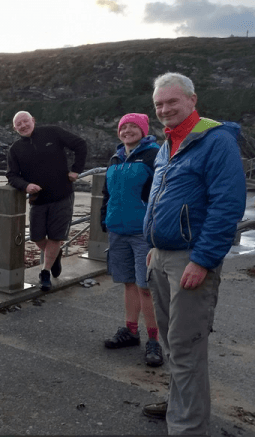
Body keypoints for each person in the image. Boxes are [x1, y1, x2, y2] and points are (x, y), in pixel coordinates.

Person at [141, 73, 246, 435]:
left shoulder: (215, 141)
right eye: (159, 104)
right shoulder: (166, 144)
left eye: (172, 101)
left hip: (190, 258)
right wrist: (153, 247)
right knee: (171, 342)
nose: (165, 109)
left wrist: (203, 259)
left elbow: (227, 205)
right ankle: (179, 404)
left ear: (191, 99)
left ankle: (187, 427)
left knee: (186, 347)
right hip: (162, 255)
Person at [100, 113, 163, 367]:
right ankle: (131, 331)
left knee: (146, 287)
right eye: (123, 127)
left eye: (133, 126)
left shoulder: (153, 155)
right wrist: (104, 219)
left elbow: (161, 194)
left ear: (143, 130)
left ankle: (154, 340)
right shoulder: (115, 158)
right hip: (117, 229)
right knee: (128, 283)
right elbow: (107, 194)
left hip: (142, 232)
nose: (127, 130)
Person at [6, 111, 87, 291]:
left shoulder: (52, 132)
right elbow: (11, 175)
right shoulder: (15, 149)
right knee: (37, 237)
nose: (23, 126)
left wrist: (76, 169)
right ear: (14, 128)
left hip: (62, 195)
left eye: (25, 121)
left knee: (56, 236)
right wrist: (26, 185)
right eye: (18, 124)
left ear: (33, 120)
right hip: (38, 200)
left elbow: (80, 144)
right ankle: (55, 255)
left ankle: (45, 272)